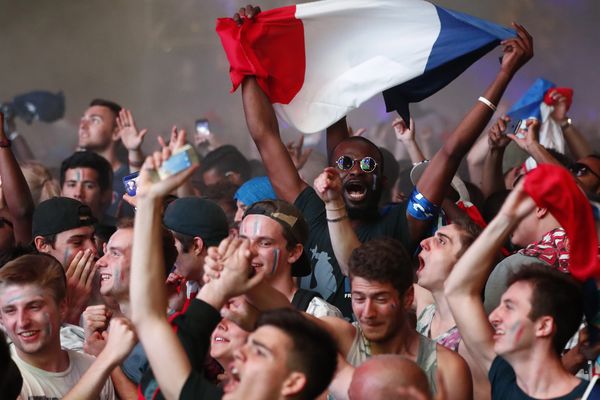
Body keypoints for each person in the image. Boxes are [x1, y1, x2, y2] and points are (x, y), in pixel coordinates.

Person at [237, 5, 534, 318]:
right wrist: (245, 54)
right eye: (346, 165)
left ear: (384, 181)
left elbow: (451, 152)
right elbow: (265, 137)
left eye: (368, 167)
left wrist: (504, 74)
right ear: (330, 174)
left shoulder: (400, 224)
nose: (355, 171)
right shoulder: (312, 210)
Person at [129, 149, 338, 400]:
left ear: (293, 382)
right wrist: (147, 201)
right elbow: (149, 319)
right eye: (250, 341)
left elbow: (149, 318)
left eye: (259, 350)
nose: (240, 352)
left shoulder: (322, 315)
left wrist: (147, 203)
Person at [444, 180, 588, 399]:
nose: (493, 316)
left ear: (545, 325)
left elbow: (458, 290)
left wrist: (505, 219)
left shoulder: (515, 265)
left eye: (509, 306)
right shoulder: (505, 378)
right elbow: (456, 291)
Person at [0, 254, 115, 399]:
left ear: (62, 307)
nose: (22, 322)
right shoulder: (4, 378)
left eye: (34, 307)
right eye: (10, 311)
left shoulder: (91, 366)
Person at [239, 199, 343, 317]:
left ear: (294, 253)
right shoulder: (229, 304)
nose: (248, 251)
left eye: (265, 243)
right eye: (243, 241)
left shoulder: (320, 314)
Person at [32, 196, 98, 324]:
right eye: (77, 242)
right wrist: (70, 312)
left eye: (93, 239)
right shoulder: (26, 292)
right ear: (42, 245)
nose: (93, 249)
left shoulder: (104, 282)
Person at [77, 99, 146, 219]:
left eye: (94, 120)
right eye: (83, 119)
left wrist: (134, 150)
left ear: (116, 132)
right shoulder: (72, 175)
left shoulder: (128, 176)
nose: (82, 126)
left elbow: (144, 204)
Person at [163, 196, 230, 291]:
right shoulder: (185, 288)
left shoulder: (230, 299)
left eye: (172, 243)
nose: (167, 252)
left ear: (196, 246)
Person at [60, 150, 114, 225]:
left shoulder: (119, 233)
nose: (78, 193)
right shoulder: (49, 231)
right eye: (72, 185)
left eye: (89, 186)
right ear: (61, 192)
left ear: (104, 194)